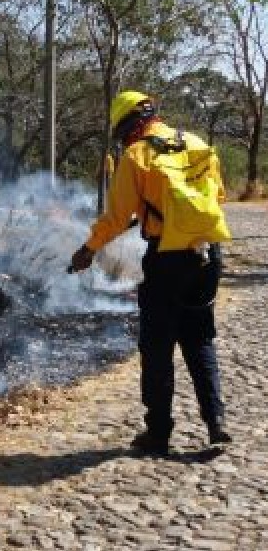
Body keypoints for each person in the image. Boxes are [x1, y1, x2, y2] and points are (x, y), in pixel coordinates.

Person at [70, 90, 232, 454]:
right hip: (208, 253)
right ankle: (215, 420)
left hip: (168, 260)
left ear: (127, 125)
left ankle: (158, 433)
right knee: (199, 338)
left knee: (157, 346)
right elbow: (217, 197)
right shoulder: (195, 142)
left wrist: (88, 249)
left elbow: (114, 218)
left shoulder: (136, 155)